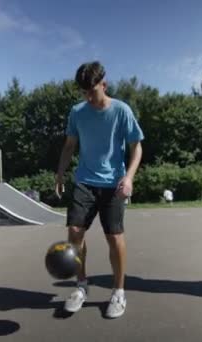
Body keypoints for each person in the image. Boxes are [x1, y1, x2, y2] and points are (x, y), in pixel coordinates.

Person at [55, 61, 144, 318]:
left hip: (114, 182)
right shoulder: (77, 112)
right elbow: (70, 145)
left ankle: (118, 291)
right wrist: (60, 173)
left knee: (114, 237)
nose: (88, 98)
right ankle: (81, 286)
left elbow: (136, 147)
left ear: (104, 85)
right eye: (83, 93)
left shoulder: (122, 110)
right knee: (74, 232)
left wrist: (129, 178)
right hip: (84, 180)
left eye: (92, 92)